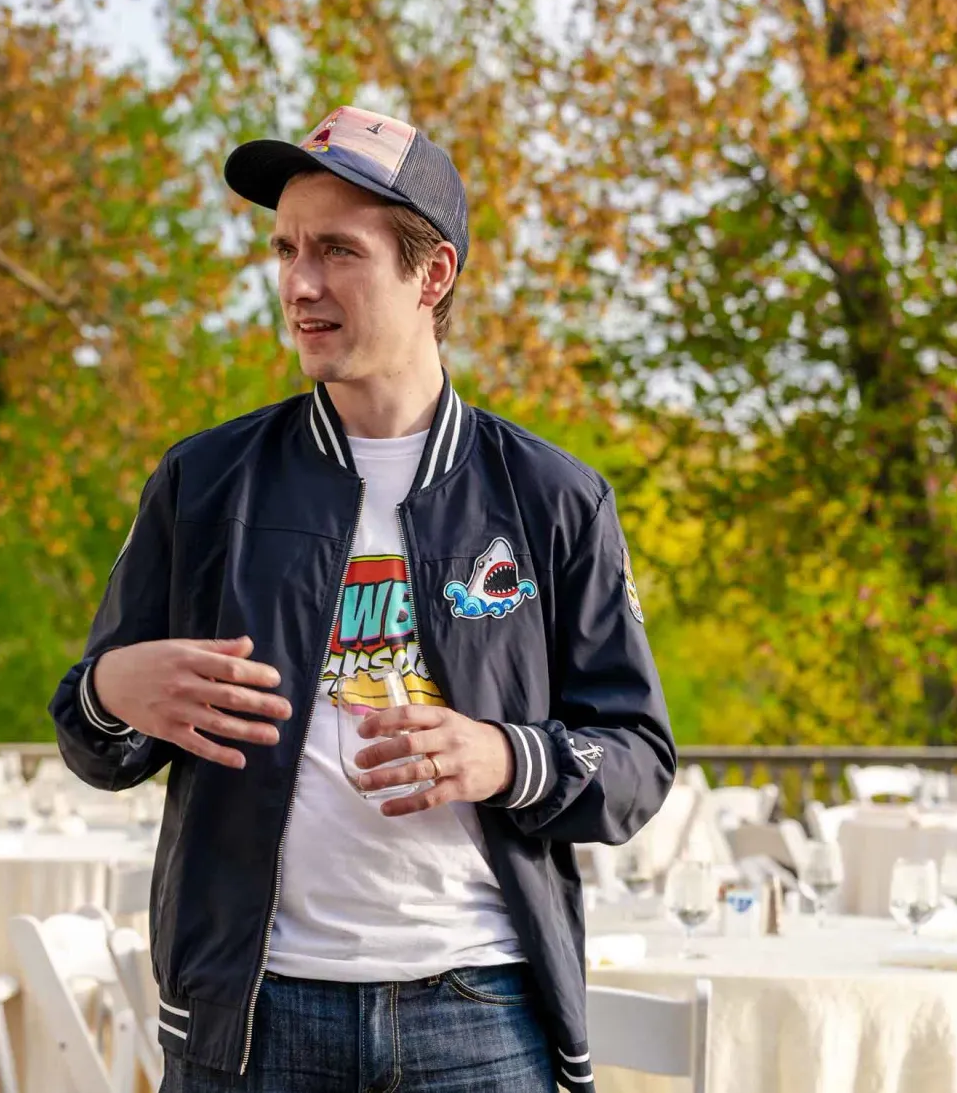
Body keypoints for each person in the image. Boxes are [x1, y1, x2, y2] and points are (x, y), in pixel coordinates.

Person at [49, 106, 675, 1091]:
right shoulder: (205, 484)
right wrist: (106, 692)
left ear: (433, 276)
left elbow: (637, 761)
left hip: (485, 1017)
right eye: (287, 250)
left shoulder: (552, 498)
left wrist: (504, 754)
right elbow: (99, 747)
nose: (300, 284)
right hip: (255, 1019)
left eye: (339, 250)